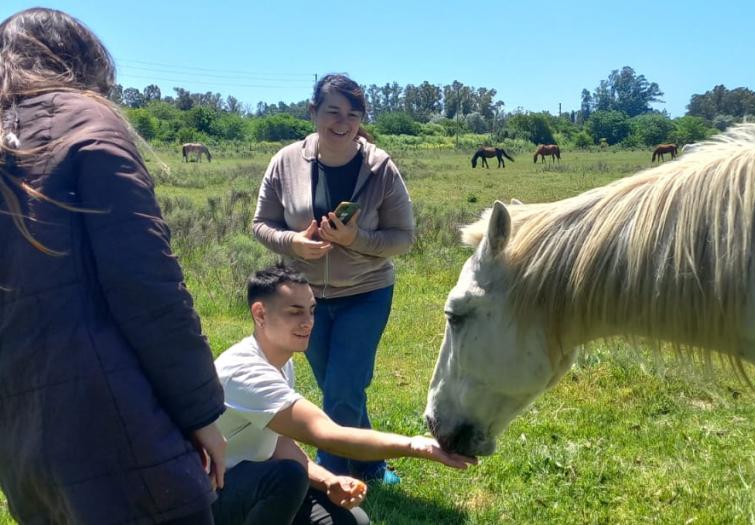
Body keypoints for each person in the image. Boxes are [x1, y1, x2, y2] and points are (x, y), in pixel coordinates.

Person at [0, 8, 225, 525]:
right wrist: (200, 413)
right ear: (81, 58)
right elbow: (148, 285)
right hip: (122, 434)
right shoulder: (87, 122)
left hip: (26, 452)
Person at [212, 264, 475, 525]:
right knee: (288, 476)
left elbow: (277, 443)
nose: (308, 322)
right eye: (295, 312)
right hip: (212, 498)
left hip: (258, 486)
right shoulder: (245, 372)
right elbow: (327, 434)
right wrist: (413, 445)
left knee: (352, 521)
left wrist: (328, 481)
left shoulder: (280, 362)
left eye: (312, 311)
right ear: (260, 314)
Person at [253, 74, 416, 484]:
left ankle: (331, 475)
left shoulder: (380, 168)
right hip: (305, 300)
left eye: (353, 114)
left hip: (366, 293)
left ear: (361, 118)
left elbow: (403, 238)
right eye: (333, 111)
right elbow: (260, 224)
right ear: (313, 112)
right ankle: (372, 463)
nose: (342, 122)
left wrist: (355, 239)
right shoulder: (285, 161)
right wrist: (293, 243)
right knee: (337, 389)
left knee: (343, 389)